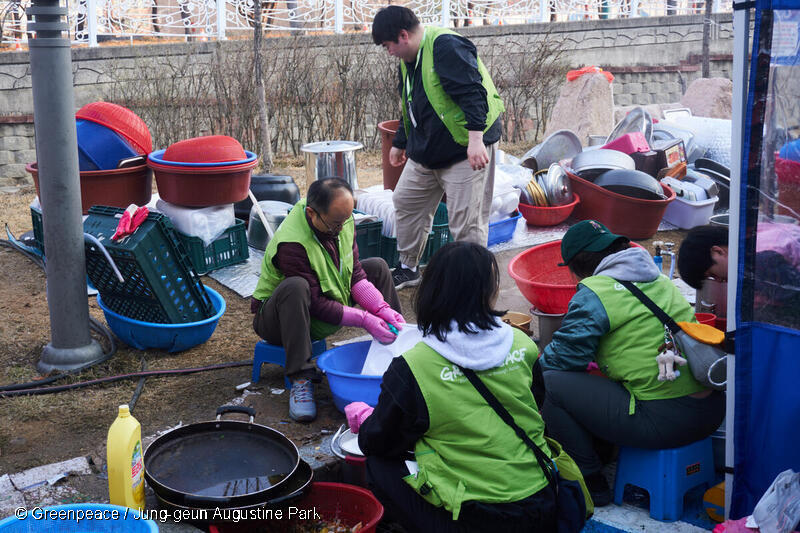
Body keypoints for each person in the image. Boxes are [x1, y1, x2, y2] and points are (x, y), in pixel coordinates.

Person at [344, 242, 559, 532]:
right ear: (489, 291)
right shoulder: (522, 344)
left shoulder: (415, 365)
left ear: (432, 291)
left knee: (379, 466)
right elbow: (535, 404)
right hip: (541, 502)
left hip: (475, 518)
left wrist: (365, 419)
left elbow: (377, 442)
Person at [539, 220, 725, 506]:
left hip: (667, 421)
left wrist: (530, 359)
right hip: (711, 410)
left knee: (551, 383)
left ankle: (589, 479)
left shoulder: (595, 291)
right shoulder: (658, 278)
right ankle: (603, 452)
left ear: (577, 266)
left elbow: (563, 359)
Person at [372, 6, 505, 289]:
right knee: (406, 201)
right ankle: (409, 267)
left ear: (403, 35)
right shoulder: (408, 59)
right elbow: (411, 103)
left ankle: (473, 284)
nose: (389, 53)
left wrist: (476, 140)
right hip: (428, 150)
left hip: (464, 149)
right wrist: (400, 142)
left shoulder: (446, 46)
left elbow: (474, 92)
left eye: (387, 46)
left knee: (466, 223)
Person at [251, 178, 405, 422]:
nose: (342, 228)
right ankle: (300, 378)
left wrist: (381, 308)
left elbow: (356, 275)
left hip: (324, 301)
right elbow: (315, 302)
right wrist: (364, 319)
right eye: (335, 224)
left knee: (377, 266)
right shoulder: (292, 243)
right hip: (280, 319)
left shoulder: (342, 219)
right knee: (295, 286)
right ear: (312, 213)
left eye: (346, 220)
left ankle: (398, 350)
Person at [678, 222, 800, 327]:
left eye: (712, 274)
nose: (719, 280)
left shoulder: (762, 261)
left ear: (718, 252)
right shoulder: (744, 237)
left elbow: (793, 303)